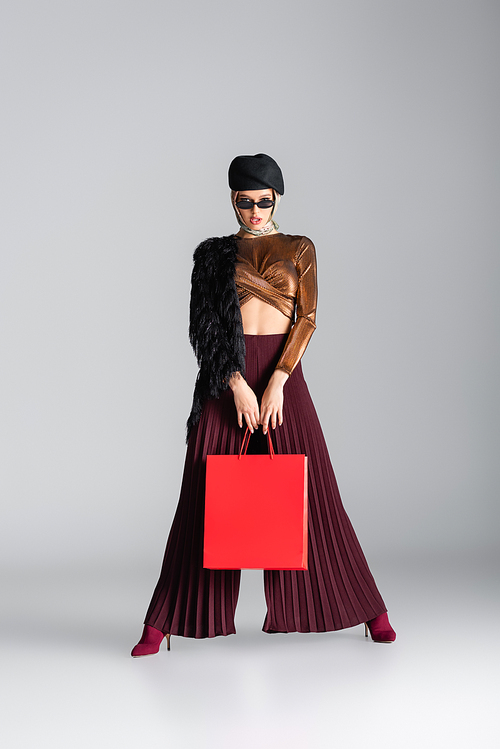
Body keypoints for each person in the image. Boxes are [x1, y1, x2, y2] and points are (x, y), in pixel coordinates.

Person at [131, 153, 396, 656]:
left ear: (277, 199)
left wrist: (275, 382)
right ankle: (161, 622)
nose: (255, 211)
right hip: (225, 380)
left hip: (283, 378)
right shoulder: (212, 256)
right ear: (233, 200)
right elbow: (202, 328)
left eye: (264, 201)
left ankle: (370, 608)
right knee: (201, 499)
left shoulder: (300, 248)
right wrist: (234, 382)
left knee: (315, 497)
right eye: (245, 202)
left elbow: (308, 319)